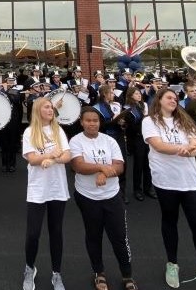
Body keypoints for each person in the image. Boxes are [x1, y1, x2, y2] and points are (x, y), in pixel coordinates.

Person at [141, 88, 196, 290]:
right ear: (158, 100)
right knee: (170, 222)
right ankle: (172, 263)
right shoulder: (149, 121)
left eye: (175, 98)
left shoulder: (185, 120)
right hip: (165, 181)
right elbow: (158, 145)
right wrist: (181, 149)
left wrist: (193, 148)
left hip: (190, 181)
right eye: (169, 97)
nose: (173, 100)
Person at [70, 107, 137, 290]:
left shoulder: (110, 140)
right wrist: (103, 168)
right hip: (87, 197)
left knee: (119, 238)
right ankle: (99, 273)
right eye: (88, 120)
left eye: (95, 120)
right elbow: (79, 166)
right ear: (82, 122)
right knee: (94, 235)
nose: (92, 123)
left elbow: (120, 167)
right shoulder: (76, 141)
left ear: (100, 122)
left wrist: (103, 173)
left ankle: (127, 274)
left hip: (112, 196)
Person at [21, 97, 71, 290]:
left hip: (57, 188)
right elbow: (33, 159)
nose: (51, 110)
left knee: (56, 232)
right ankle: (29, 268)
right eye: (47, 107)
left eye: (51, 107)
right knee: (33, 233)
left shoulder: (58, 130)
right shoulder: (29, 132)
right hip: (37, 189)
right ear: (38, 110)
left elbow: (67, 155)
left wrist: (55, 159)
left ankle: (56, 273)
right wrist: (51, 154)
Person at [123, 87, 154, 201]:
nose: (139, 95)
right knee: (138, 165)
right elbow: (130, 126)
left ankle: (148, 187)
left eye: (139, 93)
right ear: (131, 95)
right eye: (136, 93)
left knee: (148, 164)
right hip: (137, 138)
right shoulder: (127, 108)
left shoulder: (144, 105)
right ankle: (137, 189)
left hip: (147, 137)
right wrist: (144, 120)